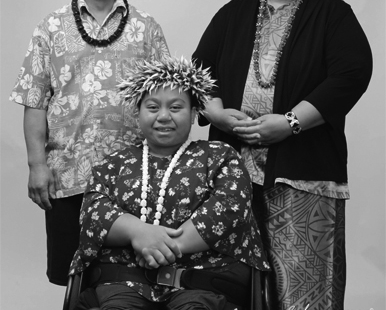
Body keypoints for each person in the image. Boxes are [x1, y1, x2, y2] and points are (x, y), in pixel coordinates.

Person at [192, 0, 372, 310]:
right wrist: (217, 114)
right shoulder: (233, 13)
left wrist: (290, 123)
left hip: (304, 176)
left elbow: (352, 74)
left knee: (307, 294)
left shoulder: (333, 14)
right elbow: (197, 75)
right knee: (229, 288)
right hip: (232, 177)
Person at [9, 0, 170, 286]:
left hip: (134, 177)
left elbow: (164, 102)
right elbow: (34, 101)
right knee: (75, 280)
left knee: (133, 280)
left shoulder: (147, 28)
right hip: (67, 176)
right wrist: (37, 166)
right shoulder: (50, 29)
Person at [68, 56, 270, 310]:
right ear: (138, 112)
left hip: (202, 282)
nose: (163, 116)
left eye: (175, 108)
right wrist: (137, 232)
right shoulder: (114, 163)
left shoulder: (220, 156)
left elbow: (229, 210)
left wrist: (159, 247)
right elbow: (92, 213)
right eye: (153, 108)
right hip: (123, 283)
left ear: (195, 112)